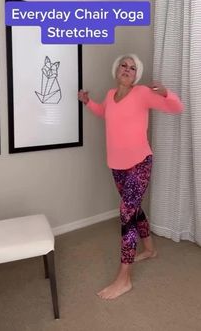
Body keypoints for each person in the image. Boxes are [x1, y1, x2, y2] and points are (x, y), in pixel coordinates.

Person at [78, 53, 184, 300]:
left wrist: (166, 93)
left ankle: (124, 278)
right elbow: (104, 112)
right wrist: (87, 102)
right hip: (116, 165)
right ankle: (150, 249)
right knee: (134, 210)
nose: (127, 69)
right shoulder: (109, 95)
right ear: (116, 70)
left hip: (139, 163)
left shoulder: (142, 93)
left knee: (126, 215)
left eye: (132, 68)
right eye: (124, 66)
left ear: (137, 75)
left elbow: (177, 108)